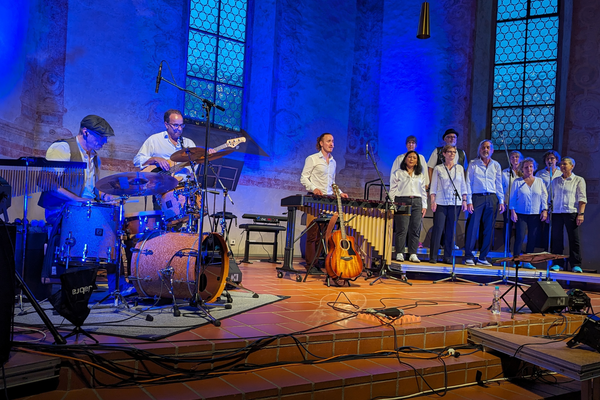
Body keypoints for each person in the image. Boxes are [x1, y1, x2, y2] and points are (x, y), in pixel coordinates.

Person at [39, 115, 133, 296]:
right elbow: (46, 181)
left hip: (86, 209)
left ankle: (118, 285)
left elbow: (93, 190)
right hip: (62, 210)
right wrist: (76, 199)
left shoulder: (95, 157)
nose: (104, 141)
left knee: (114, 226)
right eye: (101, 137)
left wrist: (107, 197)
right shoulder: (63, 148)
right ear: (85, 132)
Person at [300, 133, 348, 268]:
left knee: (323, 235)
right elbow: (304, 178)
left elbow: (332, 183)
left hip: (327, 201)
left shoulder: (333, 162)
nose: (332, 144)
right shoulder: (312, 159)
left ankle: (317, 262)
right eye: (328, 141)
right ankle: (310, 264)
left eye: (333, 141)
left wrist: (340, 192)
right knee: (312, 234)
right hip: (314, 199)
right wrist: (314, 188)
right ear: (321, 143)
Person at [464, 140, 505, 266]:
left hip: (491, 197)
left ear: (492, 150)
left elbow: (499, 184)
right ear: (479, 150)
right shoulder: (473, 164)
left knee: (488, 228)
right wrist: (469, 201)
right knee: (473, 227)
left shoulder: (496, 165)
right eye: (483, 147)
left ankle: (483, 257)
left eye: (488, 147)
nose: (485, 149)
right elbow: (468, 182)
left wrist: (501, 200)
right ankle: (469, 256)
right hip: (477, 198)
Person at [429, 145, 467, 264]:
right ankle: (433, 256)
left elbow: (463, 185)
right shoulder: (438, 168)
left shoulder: (459, 168)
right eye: (449, 152)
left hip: (455, 202)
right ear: (444, 154)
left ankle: (448, 256)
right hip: (440, 201)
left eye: (454, 152)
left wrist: (465, 200)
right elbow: (434, 185)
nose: (452, 154)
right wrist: (433, 200)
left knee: (451, 229)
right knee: (438, 228)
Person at [134, 109, 197, 180]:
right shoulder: (155, 139)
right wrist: (155, 159)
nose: (179, 129)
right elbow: (137, 160)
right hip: (157, 183)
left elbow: (193, 168)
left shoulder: (189, 143)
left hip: (181, 185)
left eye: (181, 125)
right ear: (166, 125)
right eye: (175, 125)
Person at [389, 150, 427, 263]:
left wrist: (424, 205)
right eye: (409, 157)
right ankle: (400, 252)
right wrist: (392, 204)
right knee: (402, 228)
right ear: (405, 159)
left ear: (417, 162)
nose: (411, 159)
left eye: (414, 158)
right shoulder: (398, 172)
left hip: (417, 201)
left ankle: (413, 253)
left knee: (415, 228)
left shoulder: (420, 174)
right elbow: (393, 190)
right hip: (402, 200)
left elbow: (423, 191)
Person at [509, 158, 548, 269]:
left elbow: (544, 196)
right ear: (522, 169)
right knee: (520, 236)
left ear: (534, 168)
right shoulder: (517, 182)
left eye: (531, 166)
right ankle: (516, 260)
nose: (529, 169)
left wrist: (544, 210)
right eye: (526, 167)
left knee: (532, 237)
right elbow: (512, 197)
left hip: (535, 213)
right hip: (521, 213)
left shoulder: (539, 181)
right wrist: (512, 211)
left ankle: (528, 261)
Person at [550, 157, 587, 273]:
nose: (562, 166)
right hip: (557, 212)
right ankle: (557, 263)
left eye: (565, 164)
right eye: (561, 164)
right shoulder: (555, 181)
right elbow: (550, 197)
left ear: (572, 166)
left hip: (571, 212)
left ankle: (575, 264)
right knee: (556, 238)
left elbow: (582, 198)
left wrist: (581, 213)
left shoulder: (578, 180)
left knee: (573, 238)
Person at [535, 150, 561, 250]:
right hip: (543, 204)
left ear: (556, 160)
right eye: (548, 159)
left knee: (556, 231)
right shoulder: (540, 174)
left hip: (557, 205)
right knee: (543, 230)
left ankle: (555, 255)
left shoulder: (560, 172)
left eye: (552, 158)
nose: (550, 161)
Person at [502, 151, 523, 255]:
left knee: (520, 229)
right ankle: (507, 250)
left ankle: (518, 251)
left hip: (521, 206)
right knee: (507, 229)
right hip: (507, 204)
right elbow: (501, 188)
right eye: (512, 157)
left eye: (517, 157)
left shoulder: (524, 173)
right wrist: (502, 202)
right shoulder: (505, 172)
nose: (515, 159)